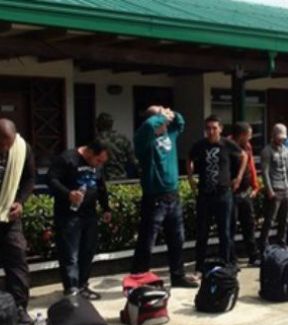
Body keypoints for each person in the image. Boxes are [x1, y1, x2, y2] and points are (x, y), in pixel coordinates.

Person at [130, 106, 198, 288]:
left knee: (177, 239)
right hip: (155, 198)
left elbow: (180, 122)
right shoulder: (144, 139)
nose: (167, 121)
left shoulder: (170, 134)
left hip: (173, 196)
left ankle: (178, 275)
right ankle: (139, 278)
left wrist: (171, 113)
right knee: (147, 241)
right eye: (162, 117)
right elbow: (147, 127)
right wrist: (160, 115)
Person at [47, 140, 112, 300]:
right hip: (68, 214)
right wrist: (68, 194)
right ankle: (72, 289)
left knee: (88, 251)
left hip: (89, 214)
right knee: (70, 254)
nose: (99, 164)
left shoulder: (98, 165)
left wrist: (106, 208)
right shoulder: (67, 158)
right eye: (98, 160)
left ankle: (83, 286)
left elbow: (101, 186)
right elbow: (51, 180)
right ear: (89, 152)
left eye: (102, 162)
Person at [187, 115, 247, 273]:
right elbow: (189, 158)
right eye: (208, 128)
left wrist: (239, 177)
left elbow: (244, 156)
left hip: (223, 193)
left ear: (220, 129)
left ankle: (226, 263)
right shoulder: (200, 145)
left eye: (214, 128)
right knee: (202, 231)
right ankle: (199, 265)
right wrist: (190, 178)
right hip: (205, 194)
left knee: (225, 231)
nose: (211, 131)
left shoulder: (227, 144)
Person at [0, 119, 36, 325]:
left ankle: (19, 309)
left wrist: (20, 201)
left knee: (17, 261)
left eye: (9, 144)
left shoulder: (22, 148)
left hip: (8, 216)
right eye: (2, 143)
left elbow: (30, 179)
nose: (6, 148)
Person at [259, 124, 288, 250]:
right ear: (273, 135)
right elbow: (265, 172)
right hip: (275, 189)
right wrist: (269, 189)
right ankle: (264, 244)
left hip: (286, 188)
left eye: (283, 138)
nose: (281, 139)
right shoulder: (267, 151)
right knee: (270, 219)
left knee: (285, 219)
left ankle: (282, 242)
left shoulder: (285, 150)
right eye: (279, 137)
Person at [230, 122, 260, 267]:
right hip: (231, 193)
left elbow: (251, 166)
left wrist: (255, 185)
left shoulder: (247, 146)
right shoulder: (227, 146)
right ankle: (231, 258)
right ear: (241, 135)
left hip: (245, 192)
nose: (250, 138)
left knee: (249, 225)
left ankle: (253, 255)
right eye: (249, 135)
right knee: (231, 227)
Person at [95, 112, 137, 181]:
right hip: (122, 177)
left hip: (106, 178)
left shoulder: (98, 140)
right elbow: (133, 160)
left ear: (99, 125)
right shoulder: (122, 139)